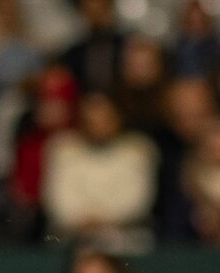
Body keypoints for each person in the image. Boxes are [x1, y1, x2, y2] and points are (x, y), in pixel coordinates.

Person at [43, 90, 157, 248]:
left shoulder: (137, 150)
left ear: (118, 118)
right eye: (91, 121)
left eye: (105, 120)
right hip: (72, 236)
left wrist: (103, 221)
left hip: (126, 237)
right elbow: (57, 201)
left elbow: (138, 201)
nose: (98, 127)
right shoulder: (63, 149)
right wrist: (84, 221)